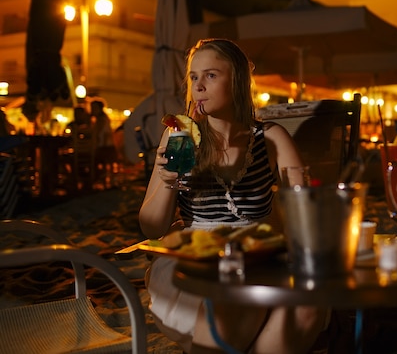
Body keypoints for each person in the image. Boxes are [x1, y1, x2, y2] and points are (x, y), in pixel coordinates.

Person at [139, 38, 328, 353]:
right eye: (193, 77)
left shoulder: (270, 138)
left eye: (211, 75)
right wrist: (167, 181)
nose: (199, 86)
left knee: (307, 308)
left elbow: (304, 211)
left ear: (238, 81)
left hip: (260, 252)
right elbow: (152, 229)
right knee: (241, 296)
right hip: (198, 257)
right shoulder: (180, 136)